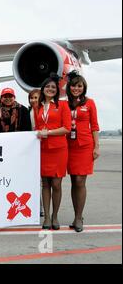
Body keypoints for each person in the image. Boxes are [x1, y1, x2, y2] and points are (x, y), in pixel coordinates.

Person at [36, 75, 71, 230]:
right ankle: (47, 218)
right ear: (43, 89)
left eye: (53, 88)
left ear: (57, 91)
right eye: (47, 87)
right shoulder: (38, 106)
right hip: (43, 149)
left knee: (56, 184)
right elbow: (37, 128)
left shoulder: (62, 105)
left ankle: (55, 216)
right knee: (45, 184)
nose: (50, 89)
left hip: (58, 149)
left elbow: (67, 128)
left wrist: (48, 132)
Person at [66, 72, 100, 232]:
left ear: (83, 87)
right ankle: (76, 215)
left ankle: (79, 217)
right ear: (69, 87)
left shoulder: (90, 103)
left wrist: (97, 146)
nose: (76, 88)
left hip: (85, 146)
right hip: (68, 146)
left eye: (79, 86)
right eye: (73, 85)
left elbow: (94, 126)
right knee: (74, 181)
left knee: (80, 181)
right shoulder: (64, 103)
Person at [27, 88, 43, 217]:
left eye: (35, 98)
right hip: (33, 149)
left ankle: (41, 207)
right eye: (31, 98)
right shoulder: (29, 111)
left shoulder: (43, 111)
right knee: (34, 179)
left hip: (43, 147)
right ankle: (37, 206)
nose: (33, 100)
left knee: (43, 181)